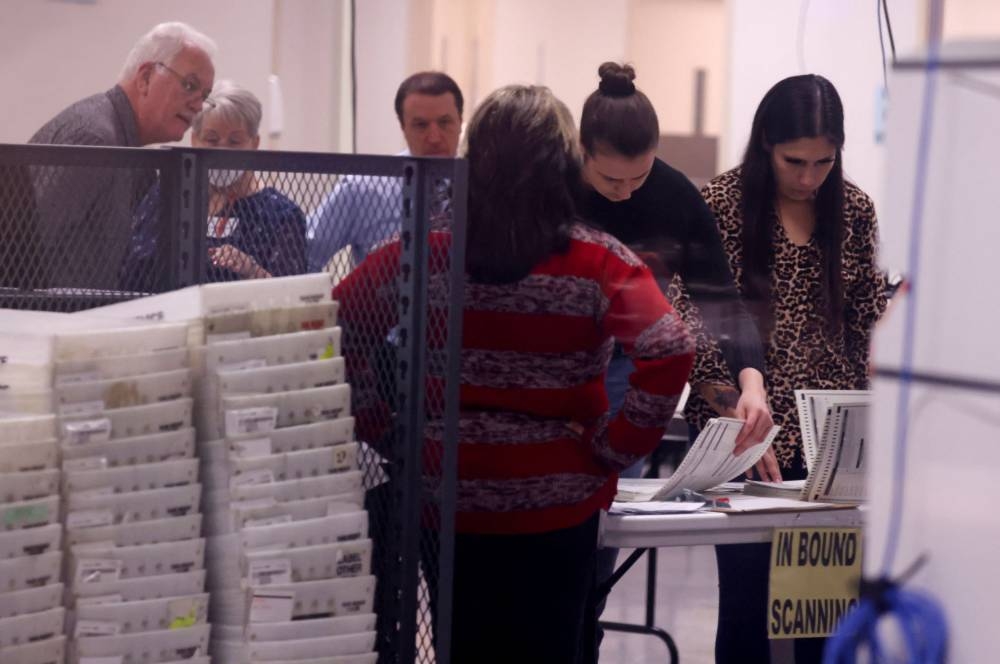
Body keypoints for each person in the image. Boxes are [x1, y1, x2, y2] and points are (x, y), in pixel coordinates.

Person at [333, 84, 694, 663]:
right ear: (564, 165)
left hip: (444, 494)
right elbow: (670, 346)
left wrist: (383, 423)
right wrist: (615, 445)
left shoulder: (425, 251)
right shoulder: (598, 260)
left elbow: (339, 321)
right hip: (559, 500)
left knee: (463, 642)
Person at [688, 74, 888, 663]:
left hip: (833, 440)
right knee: (748, 603)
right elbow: (689, 314)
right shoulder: (720, 204)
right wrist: (731, 404)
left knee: (823, 609)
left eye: (823, 162)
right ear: (765, 144)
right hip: (746, 435)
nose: (807, 178)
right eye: (793, 161)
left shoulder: (852, 209)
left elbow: (868, 319)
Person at [580, 62, 777, 660]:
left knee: (597, 520)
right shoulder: (552, 184)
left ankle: (583, 620)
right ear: (580, 152)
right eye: (610, 181)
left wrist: (753, 382)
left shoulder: (675, 197)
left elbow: (723, 302)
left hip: (622, 365)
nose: (626, 193)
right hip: (550, 355)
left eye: (638, 177)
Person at [28, 21, 217, 289]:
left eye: (205, 95)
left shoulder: (128, 150)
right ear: (145, 78)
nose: (198, 105)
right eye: (189, 85)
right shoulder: (94, 142)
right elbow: (19, 250)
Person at [121, 81, 306, 288]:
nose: (222, 152)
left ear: (254, 144)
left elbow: (291, 298)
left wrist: (251, 271)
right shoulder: (167, 198)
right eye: (211, 140)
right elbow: (131, 270)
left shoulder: (281, 215)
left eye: (235, 142)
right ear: (194, 140)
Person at [306, 71, 463, 272]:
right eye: (421, 125)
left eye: (444, 123)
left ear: (460, 122)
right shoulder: (362, 188)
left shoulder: (480, 185)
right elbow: (303, 258)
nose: (434, 137)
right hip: (384, 301)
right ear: (403, 127)